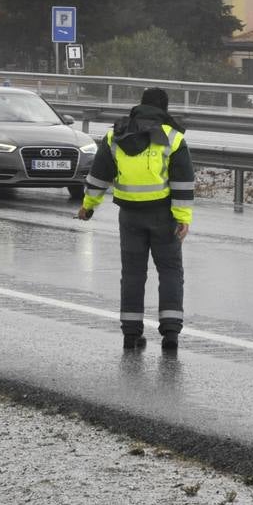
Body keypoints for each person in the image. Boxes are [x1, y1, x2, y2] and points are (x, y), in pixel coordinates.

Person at [77, 87, 194, 350]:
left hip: (129, 215)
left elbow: (99, 176)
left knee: (132, 273)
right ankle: (171, 334)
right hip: (164, 216)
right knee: (170, 271)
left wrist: (88, 206)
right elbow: (183, 182)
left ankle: (131, 334)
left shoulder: (115, 135)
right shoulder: (173, 138)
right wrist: (183, 218)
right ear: (164, 109)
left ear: (141, 105)